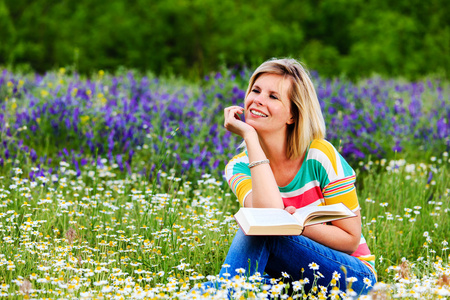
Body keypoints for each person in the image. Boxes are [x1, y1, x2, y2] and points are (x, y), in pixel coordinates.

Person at [196, 58, 376, 297]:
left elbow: (351, 239)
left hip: (351, 274)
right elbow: (266, 214)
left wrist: (298, 226)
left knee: (260, 234)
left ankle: (221, 294)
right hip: (288, 275)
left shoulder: (320, 156)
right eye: (256, 91)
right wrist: (250, 136)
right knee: (239, 285)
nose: (258, 99)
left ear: (293, 115)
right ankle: (220, 293)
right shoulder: (238, 167)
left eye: (273, 96)